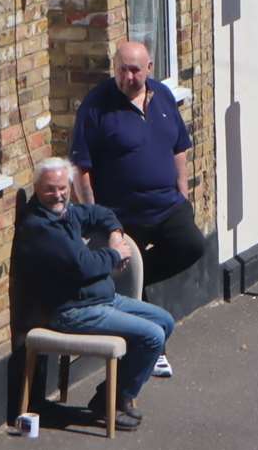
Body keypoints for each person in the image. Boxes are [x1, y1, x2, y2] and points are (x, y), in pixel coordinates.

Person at [70, 41, 206, 378]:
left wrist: (182, 189)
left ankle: (136, 284)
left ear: (149, 69)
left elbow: (179, 146)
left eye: (135, 69)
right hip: (123, 214)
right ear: (114, 68)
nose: (128, 76)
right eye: (122, 69)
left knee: (192, 245)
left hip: (166, 204)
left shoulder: (161, 97)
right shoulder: (96, 106)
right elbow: (80, 168)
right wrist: (94, 215)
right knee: (131, 266)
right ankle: (154, 351)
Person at [13, 157, 174, 432]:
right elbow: (82, 266)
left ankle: (111, 395)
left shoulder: (66, 212)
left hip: (102, 299)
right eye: (50, 189)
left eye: (63, 188)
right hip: (71, 311)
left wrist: (115, 234)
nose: (58, 195)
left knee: (165, 321)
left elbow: (100, 213)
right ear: (37, 189)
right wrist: (115, 254)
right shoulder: (40, 228)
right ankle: (116, 400)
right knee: (152, 335)